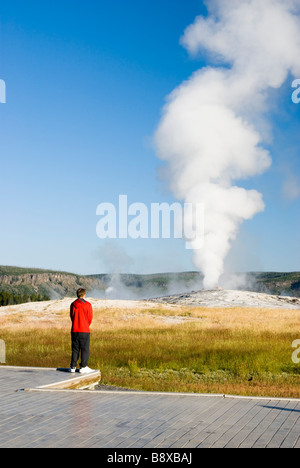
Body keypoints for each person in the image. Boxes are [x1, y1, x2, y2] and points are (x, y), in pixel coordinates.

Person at [69, 288, 94, 374]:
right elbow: (90, 318)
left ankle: (72, 366)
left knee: (75, 349)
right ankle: (83, 366)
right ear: (84, 295)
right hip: (84, 330)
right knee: (84, 349)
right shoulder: (88, 305)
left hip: (75, 330)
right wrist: (86, 325)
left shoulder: (73, 305)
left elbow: (71, 316)